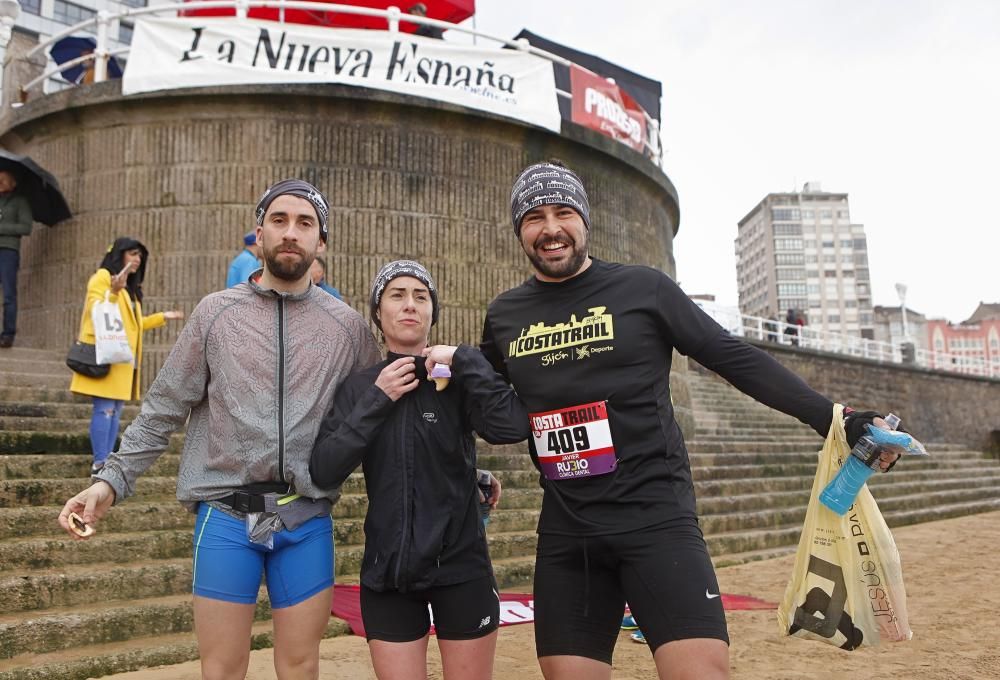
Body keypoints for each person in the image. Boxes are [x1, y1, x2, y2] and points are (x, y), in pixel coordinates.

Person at [479, 160, 902, 680]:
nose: (550, 228)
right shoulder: (504, 315)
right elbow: (486, 406)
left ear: (585, 220)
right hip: (570, 537)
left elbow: (730, 356)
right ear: (519, 230)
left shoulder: (642, 289)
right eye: (534, 217)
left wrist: (835, 417)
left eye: (563, 211)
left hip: (656, 522)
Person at [58, 179, 381, 680]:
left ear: (322, 243)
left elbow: (379, 423)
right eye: (279, 221)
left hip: (305, 518)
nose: (290, 233)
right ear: (258, 233)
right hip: (226, 518)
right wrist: (109, 481)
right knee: (222, 669)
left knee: (300, 666)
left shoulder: (349, 329)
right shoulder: (215, 313)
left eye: (304, 224)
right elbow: (164, 408)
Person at [310, 259, 527, 680]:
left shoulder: (456, 378)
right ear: (378, 312)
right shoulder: (361, 386)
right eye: (397, 295)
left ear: (432, 312)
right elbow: (324, 469)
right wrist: (378, 398)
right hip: (388, 570)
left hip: (461, 566)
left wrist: (467, 360)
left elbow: (511, 426)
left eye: (420, 297)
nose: (410, 305)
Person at [69, 237, 184, 475]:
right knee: (105, 410)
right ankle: (99, 462)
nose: (137, 260)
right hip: (106, 355)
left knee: (115, 412)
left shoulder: (131, 290)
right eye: (132, 254)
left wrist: (163, 316)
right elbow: (96, 307)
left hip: (121, 358)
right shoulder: (103, 277)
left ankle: (105, 460)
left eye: (140, 256)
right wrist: (113, 291)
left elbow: (134, 324)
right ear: (119, 255)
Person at [0, 170, 33, 348]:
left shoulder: (20, 201)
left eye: (4, 179)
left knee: (8, 295)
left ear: (13, 182)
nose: (0, 181)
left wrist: (2, 227)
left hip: (8, 251)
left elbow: (26, 227)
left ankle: (8, 334)